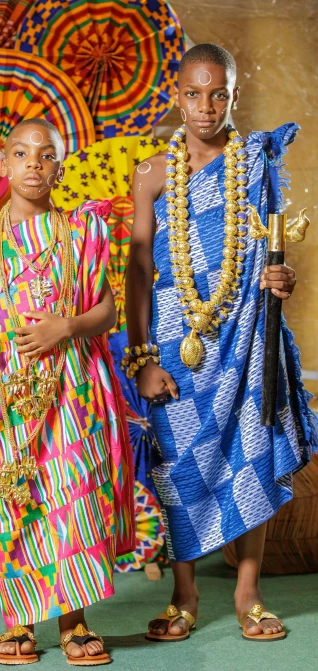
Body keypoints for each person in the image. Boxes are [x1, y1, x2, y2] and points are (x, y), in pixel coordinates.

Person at [0, 118, 135, 665]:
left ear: (59, 166)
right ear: (4, 163)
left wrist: (65, 327)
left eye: (46, 154)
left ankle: (75, 620)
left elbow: (106, 309)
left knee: (72, 495)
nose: (33, 163)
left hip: (71, 384)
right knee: (13, 500)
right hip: (6, 387)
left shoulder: (80, 231)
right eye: (21, 153)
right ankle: (19, 622)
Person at [126, 43, 317, 642]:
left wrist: (280, 277)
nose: (205, 107)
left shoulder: (256, 164)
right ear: (176, 97)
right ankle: (184, 596)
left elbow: (269, 245)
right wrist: (143, 358)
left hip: (244, 338)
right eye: (193, 94)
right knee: (177, 464)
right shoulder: (152, 174)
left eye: (218, 94)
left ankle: (248, 594)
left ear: (234, 95)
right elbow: (135, 270)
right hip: (175, 341)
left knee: (250, 453)